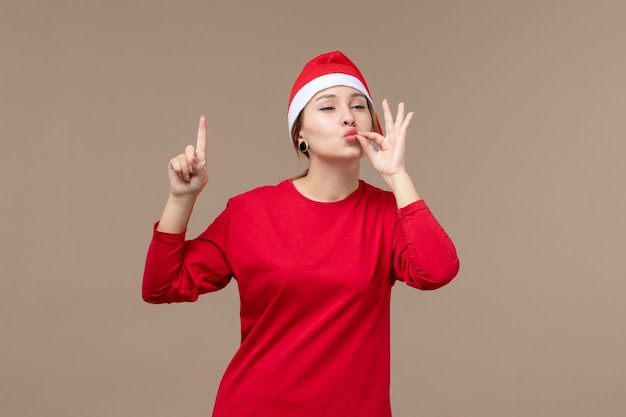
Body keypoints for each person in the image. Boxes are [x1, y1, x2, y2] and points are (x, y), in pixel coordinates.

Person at [142, 50, 460, 417]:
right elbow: (160, 287)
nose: (348, 116)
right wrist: (181, 199)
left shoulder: (388, 213)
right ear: (300, 134)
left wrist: (398, 176)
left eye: (358, 106)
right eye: (327, 107)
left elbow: (437, 271)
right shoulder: (250, 212)